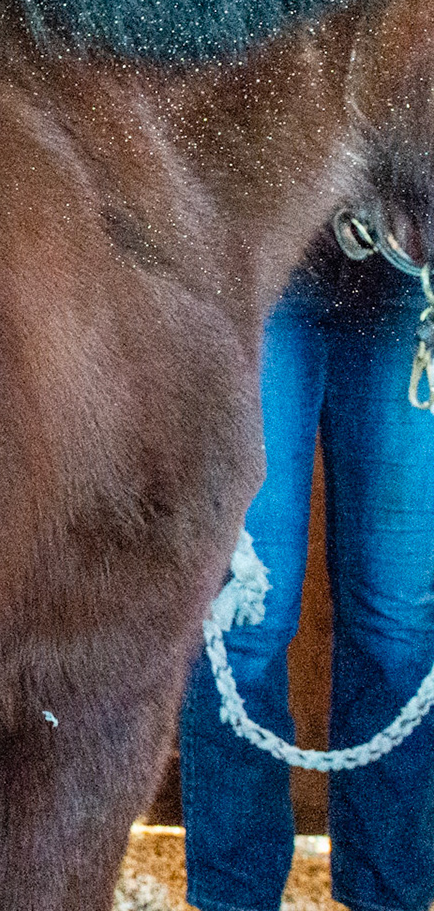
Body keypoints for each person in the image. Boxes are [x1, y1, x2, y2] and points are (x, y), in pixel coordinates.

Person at [179, 237, 434, 911]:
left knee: (398, 627)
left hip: (410, 276)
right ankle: (235, 898)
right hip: (267, 256)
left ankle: (389, 897)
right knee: (243, 624)